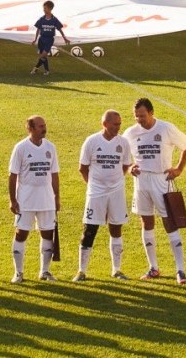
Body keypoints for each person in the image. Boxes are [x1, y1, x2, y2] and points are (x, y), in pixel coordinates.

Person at [124, 97, 186, 284]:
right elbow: (122, 158)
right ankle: (153, 268)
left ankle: (180, 270)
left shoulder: (165, 128)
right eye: (136, 116)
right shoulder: (129, 133)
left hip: (162, 179)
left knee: (170, 223)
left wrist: (179, 169)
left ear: (152, 113)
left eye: (143, 116)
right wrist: (130, 168)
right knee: (146, 222)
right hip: (141, 182)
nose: (139, 120)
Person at [74, 109, 132, 282]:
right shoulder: (91, 141)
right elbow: (82, 168)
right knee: (90, 229)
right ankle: (81, 271)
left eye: (120, 124)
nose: (118, 128)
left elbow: (125, 166)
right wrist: (94, 185)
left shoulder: (123, 142)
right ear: (105, 124)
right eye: (115, 124)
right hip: (96, 193)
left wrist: (114, 184)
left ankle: (116, 270)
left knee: (116, 228)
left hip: (116, 193)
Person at [7, 115, 59, 283]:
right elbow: (12, 175)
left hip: (46, 200)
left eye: (44, 125)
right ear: (29, 128)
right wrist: (13, 200)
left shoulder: (50, 147)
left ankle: (45, 271)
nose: (44, 129)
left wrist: (56, 197)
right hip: (26, 201)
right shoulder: (20, 148)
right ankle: (18, 273)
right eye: (40, 126)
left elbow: (54, 174)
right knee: (21, 233)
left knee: (47, 234)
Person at [31, 0, 69, 76]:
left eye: (45, 8)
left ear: (50, 8)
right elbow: (38, 29)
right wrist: (35, 39)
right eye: (43, 8)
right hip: (41, 39)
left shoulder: (54, 19)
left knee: (43, 55)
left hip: (49, 40)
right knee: (44, 57)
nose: (44, 10)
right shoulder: (41, 19)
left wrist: (64, 38)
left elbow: (60, 29)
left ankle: (35, 68)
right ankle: (47, 71)